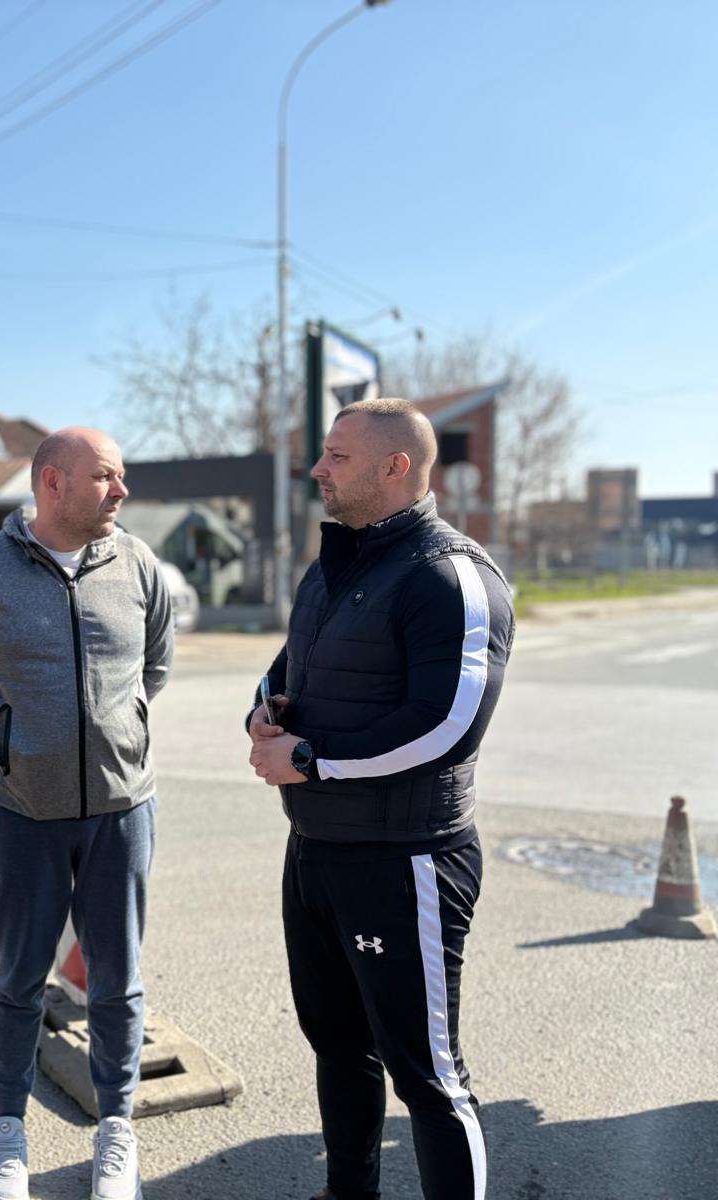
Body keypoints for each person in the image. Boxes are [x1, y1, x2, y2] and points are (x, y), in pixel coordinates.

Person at [247, 398, 514, 1200]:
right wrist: (265, 709)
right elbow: (292, 665)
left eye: (336, 457)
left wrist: (311, 761)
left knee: (428, 1075)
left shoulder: (450, 576)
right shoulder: (335, 563)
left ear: (395, 467)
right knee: (338, 1046)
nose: (318, 470)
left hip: (407, 862)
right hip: (317, 850)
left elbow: (447, 726)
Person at [0, 427, 174, 1200]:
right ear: (52, 483)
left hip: (121, 809)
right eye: (106, 476)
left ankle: (116, 1132)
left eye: (121, 476)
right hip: (20, 813)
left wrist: (116, 734)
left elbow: (155, 666)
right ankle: (7, 1134)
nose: (121, 490)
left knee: (117, 979)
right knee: (18, 979)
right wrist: (11, 747)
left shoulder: (138, 564)